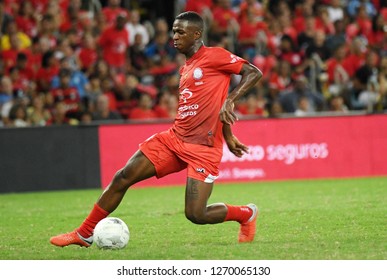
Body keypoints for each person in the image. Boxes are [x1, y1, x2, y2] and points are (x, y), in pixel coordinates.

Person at [50, 11, 262, 247]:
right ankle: (84, 232)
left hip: (204, 148)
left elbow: (253, 72)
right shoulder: (186, 69)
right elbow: (208, 107)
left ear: (197, 34)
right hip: (174, 139)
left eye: (181, 31)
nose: (175, 36)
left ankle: (246, 213)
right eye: (174, 31)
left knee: (196, 214)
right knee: (123, 177)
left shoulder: (215, 56)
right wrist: (229, 133)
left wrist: (231, 100)